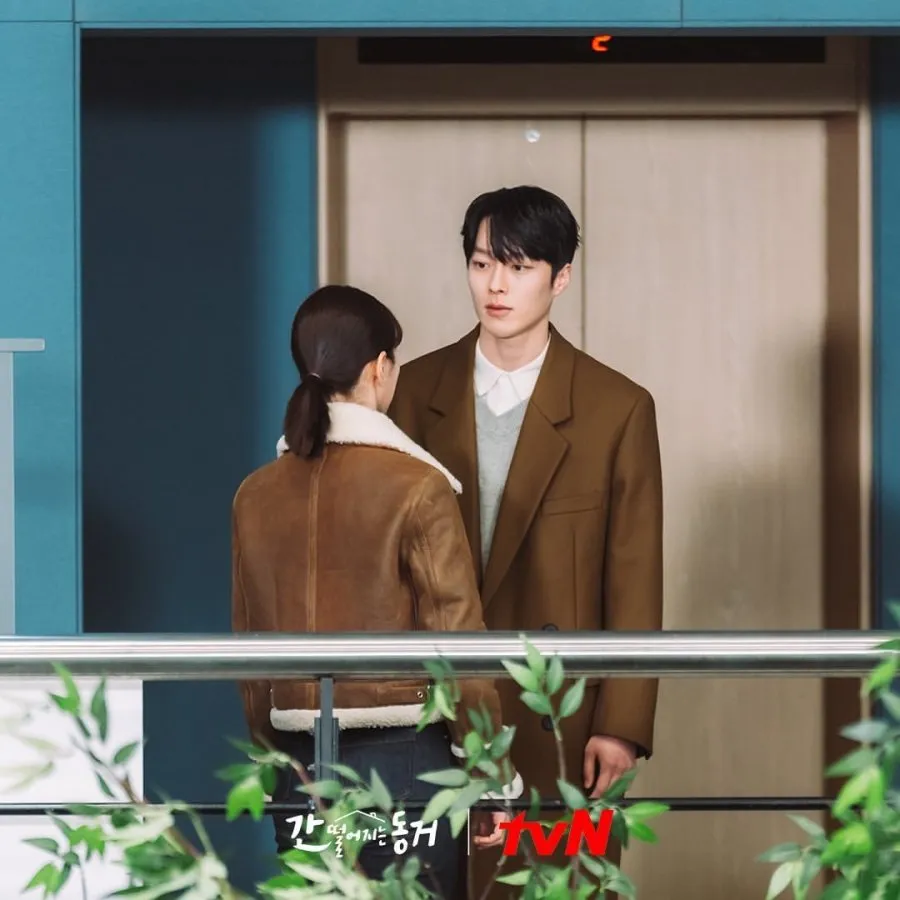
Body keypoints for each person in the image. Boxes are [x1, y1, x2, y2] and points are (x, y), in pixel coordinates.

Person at [387, 186, 664, 898]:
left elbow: (634, 577)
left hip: (558, 716)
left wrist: (623, 725)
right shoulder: (412, 392)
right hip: (431, 709)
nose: (496, 285)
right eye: (482, 264)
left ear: (560, 277)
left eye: (519, 267)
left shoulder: (616, 408)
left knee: (553, 887)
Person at [233, 285, 523, 897]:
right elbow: (457, 645)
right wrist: (491, 775)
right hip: (406, 764)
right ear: (379, 368)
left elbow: (251, 654)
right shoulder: (417, 486)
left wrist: (272, 763)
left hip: (299, 767)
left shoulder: (255, 495)